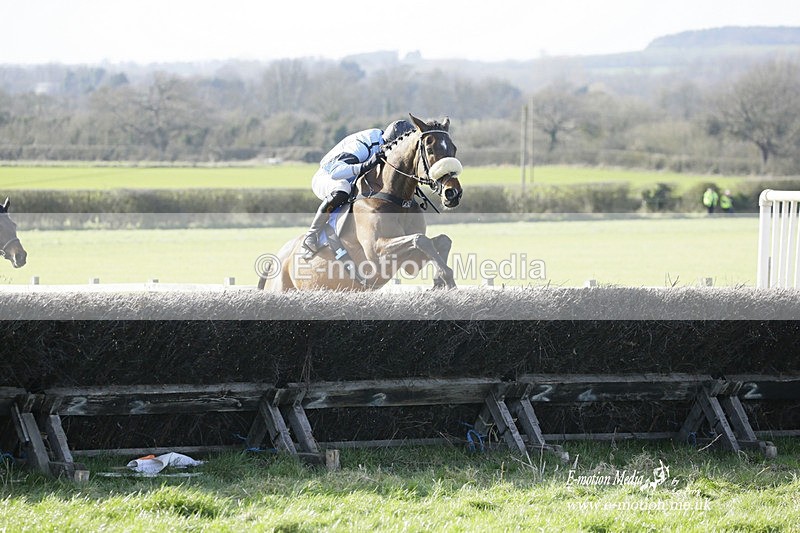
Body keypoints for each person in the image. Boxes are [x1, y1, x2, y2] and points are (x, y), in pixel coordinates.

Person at [300, 119, 415, 259]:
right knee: (343, 187)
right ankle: (311, 236)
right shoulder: (363, 145)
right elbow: (337, 172)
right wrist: (367, 164)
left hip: (352, 179)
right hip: (328, 177)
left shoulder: (385, 144)